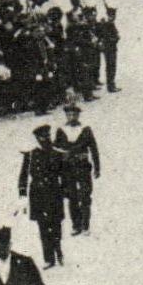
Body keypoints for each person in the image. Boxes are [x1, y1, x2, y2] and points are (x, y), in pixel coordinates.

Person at [19, 124, 68, 268]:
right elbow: (23, 175)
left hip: (54, 192)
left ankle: (58, 250)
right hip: (38, 194)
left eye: (47, 136)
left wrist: (65, 190)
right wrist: (22, 193)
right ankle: (49, 258)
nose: (45, 139)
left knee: (56, 224)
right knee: (43, 227)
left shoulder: (56, 153)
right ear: (37, 139)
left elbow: (64, 174)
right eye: (42, 137)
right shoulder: (31, 154)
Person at [54, 101, 101, 236]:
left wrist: (97, 168)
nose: (72, 116)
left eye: (75, 114)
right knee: (72, 196)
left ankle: (86, 225)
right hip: (67, 169)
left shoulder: (85, 130)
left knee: (85, 195)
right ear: (66, 116)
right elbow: (57, 151)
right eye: (69, 114)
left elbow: (93, 148)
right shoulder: (61, 130)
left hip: (83, 167)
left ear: (78, 115)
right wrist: (57, 170)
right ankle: (76, 225)